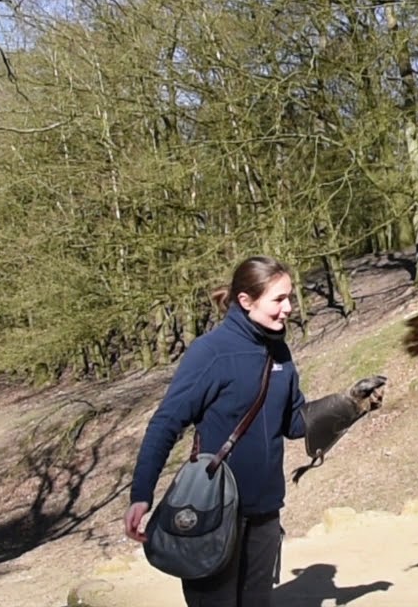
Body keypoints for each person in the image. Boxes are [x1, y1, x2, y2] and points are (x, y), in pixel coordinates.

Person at [124, 255, 307, 607]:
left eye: (290, 297)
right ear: (245, 301)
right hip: (213, 513)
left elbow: (295, 423)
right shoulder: (210, 353)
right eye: (279, 299)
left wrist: (349, 405)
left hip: (265, 513)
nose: (289, 308)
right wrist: (141, 493)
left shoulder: (279, 352)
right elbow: (165, 424)